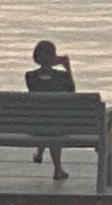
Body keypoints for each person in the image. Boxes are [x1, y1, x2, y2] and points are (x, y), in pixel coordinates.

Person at [25, 40, 75, 180]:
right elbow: (72, 93)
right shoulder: (63, 77)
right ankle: (57, 169)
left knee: (45, 116)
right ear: (54, 57)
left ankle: (40, 152)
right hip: (56, 125)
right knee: (53, 121)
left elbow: (40, 91)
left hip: (35, 125)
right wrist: (67, 68)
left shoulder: (30, 77)